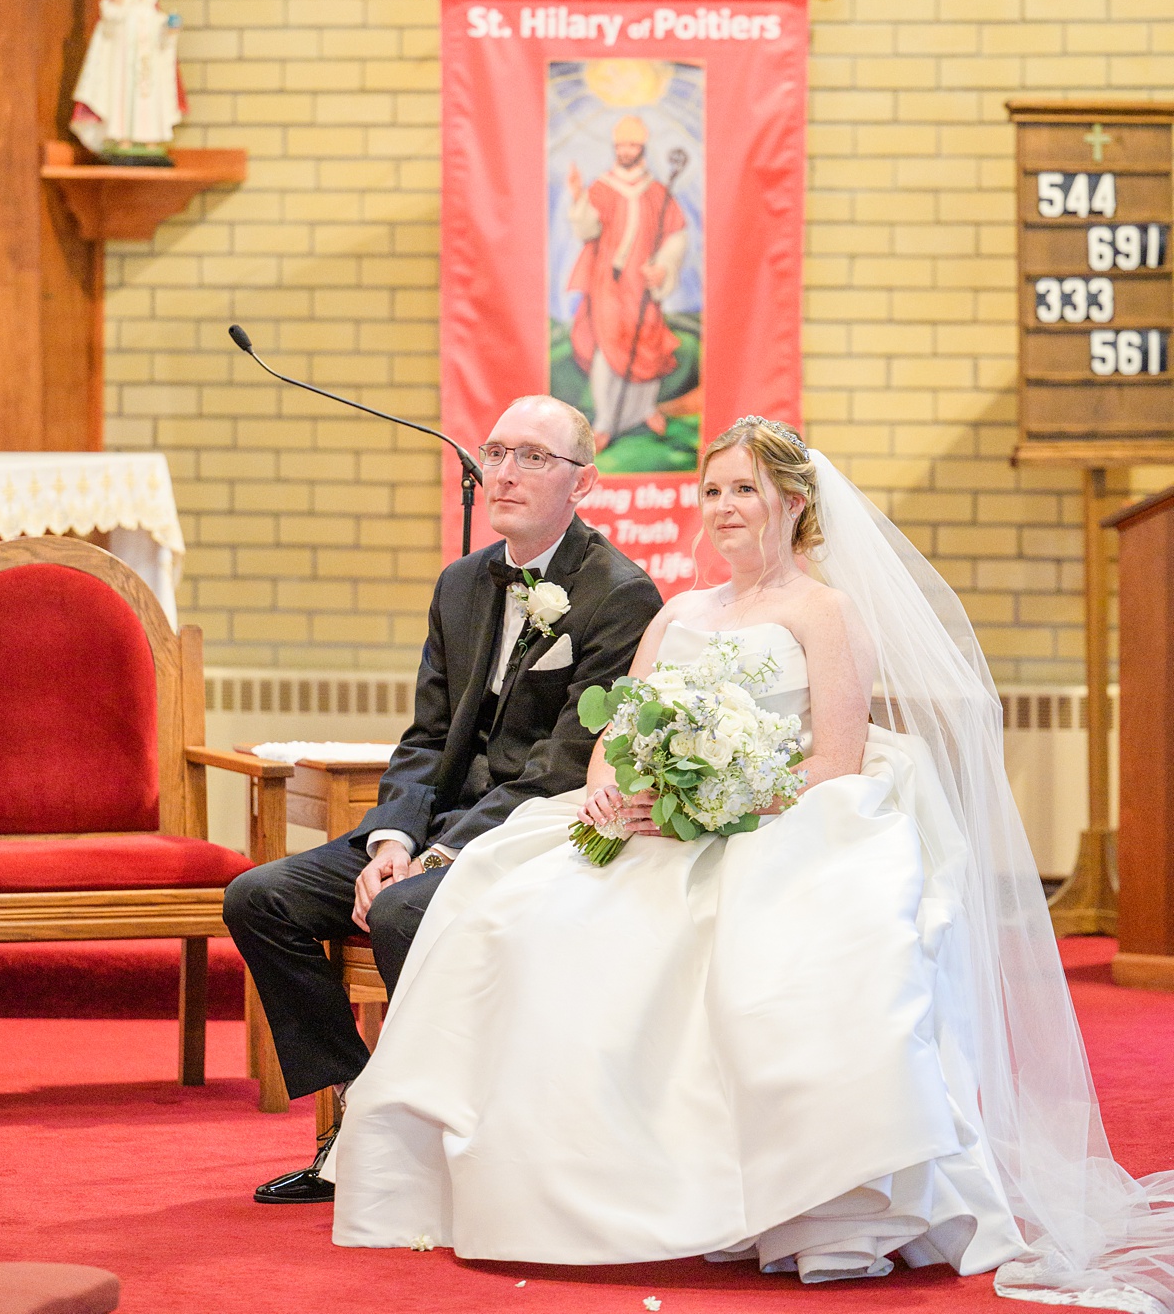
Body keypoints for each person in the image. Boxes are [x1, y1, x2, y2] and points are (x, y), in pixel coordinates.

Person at [326, 418, 1174, 1308]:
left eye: (745, 490)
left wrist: (712, 806)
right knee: (508, 910)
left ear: (793, 501)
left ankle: (784, 1187)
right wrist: (614, 791)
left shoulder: (825, 611)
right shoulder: (682, 613)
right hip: (653, 822)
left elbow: (834, 762)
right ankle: (556, 1171)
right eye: (713, 491)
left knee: (761, 954)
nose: (724, 507)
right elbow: (617, 725)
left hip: (774, 820)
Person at [222, 394, 660, 1205]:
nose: (504, 472)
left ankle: (449, 1135)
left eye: (534, 457)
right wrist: (391, 841)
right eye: (496, 452)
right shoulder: (462, 583)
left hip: (532, 831)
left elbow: (565, 764)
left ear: (585, 482)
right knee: (261, 896)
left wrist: (439, 855)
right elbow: (425, 737)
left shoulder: (620, 595)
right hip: (433, 828)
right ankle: (359, 1115)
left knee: (402, 912)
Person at [564, 112, 688, 443]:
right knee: (608, 347)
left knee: (647, 345)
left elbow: (676, 236)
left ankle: (646, 409)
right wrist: (578, 196)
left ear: (642, 147)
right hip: (608, 283)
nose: (628, 150)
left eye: (634, 144)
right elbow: (587, 229)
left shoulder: (658, 191)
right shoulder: (603, 187)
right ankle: (606, 421)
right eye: (623, 145)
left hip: (643, 284)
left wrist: (661, 266)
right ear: (615, 147)